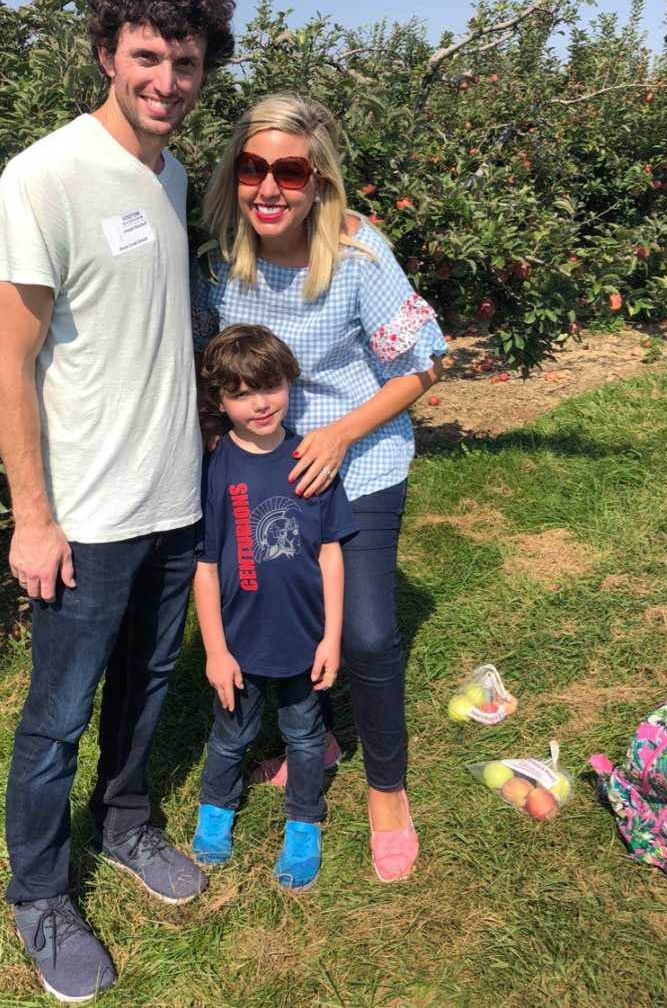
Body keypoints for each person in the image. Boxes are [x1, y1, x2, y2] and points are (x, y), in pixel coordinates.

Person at [0, 0, 235, 1003]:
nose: (165, 81)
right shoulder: (45, 174)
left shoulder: (170, 172)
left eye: (184, 63)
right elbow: (8, 356)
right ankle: (39, 889)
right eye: (146, 57)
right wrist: (31, 515)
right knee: (59, 714)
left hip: (173, 489)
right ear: (105, 52)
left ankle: (126, 820)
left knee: (149, 682)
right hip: (85, 509)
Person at [192, 93, 447, 883]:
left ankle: (387, 791)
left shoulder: (358, 255)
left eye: (290, 170)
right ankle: (316, 732)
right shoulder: (217, 263)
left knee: (367, 633)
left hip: (355, 461)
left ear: (318, 181)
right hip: (265, 470)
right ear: (235, 173)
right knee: (268, 604)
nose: (269, 187)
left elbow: (422, 363)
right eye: (253, 167)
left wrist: (337, 435)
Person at [189, 324, 355, 890]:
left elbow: (332, 553)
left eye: (269, 386)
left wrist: (333, 636)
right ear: (220, 401)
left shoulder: (311, 460)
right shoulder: (215, 469)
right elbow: (206, 566)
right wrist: (214, 649)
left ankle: (304, 821)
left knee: (306, 737)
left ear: (289, 382)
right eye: (239, 393)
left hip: (305, 641)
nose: (259, 403)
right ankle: (216, 809)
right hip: (238, 643)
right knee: (231, 735)